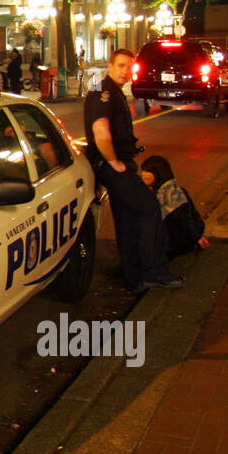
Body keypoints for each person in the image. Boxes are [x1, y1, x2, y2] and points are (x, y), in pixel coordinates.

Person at [83, 49, 185, 294]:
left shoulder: (110, 91)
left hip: (116, 163)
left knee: (126, 219)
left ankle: (135, 276)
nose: (125, 71)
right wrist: (115, 163)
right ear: (110, 65)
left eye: (129, 67)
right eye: (120, 65)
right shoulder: (103, 92)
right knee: (149, 210)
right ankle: (154, 272)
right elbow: (100, 132)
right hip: (113, 165)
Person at [140, 155, 210, 259]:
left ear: (158, 173)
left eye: (147, 171)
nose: (143, 174)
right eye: (143, 171)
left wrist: (197, 238)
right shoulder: (158, 191)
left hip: (174, 245)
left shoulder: (172, 194)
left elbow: (185, 221)